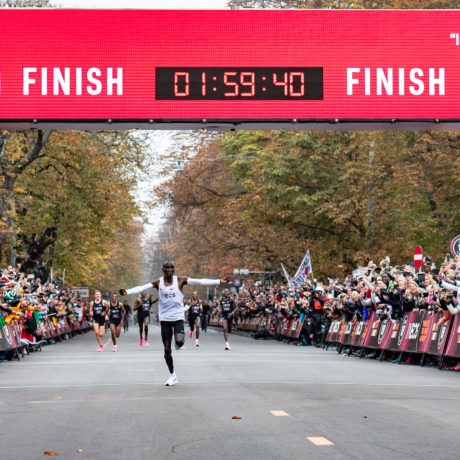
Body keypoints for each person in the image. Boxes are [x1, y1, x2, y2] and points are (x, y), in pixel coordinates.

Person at [120, 261, 226, 386]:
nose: (170, 269)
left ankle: (177, 342)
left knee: (180, 342)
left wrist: (220, 281)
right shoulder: (158, 282)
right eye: (167, 267)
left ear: (174, 269)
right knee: (166, 349)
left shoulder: (180, 280)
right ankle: (172, 375)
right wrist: (127, 291)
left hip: (177, 317)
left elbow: (200, 281)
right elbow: (142, 287)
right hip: (165, 319)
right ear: (163, 269)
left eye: (172, 267)